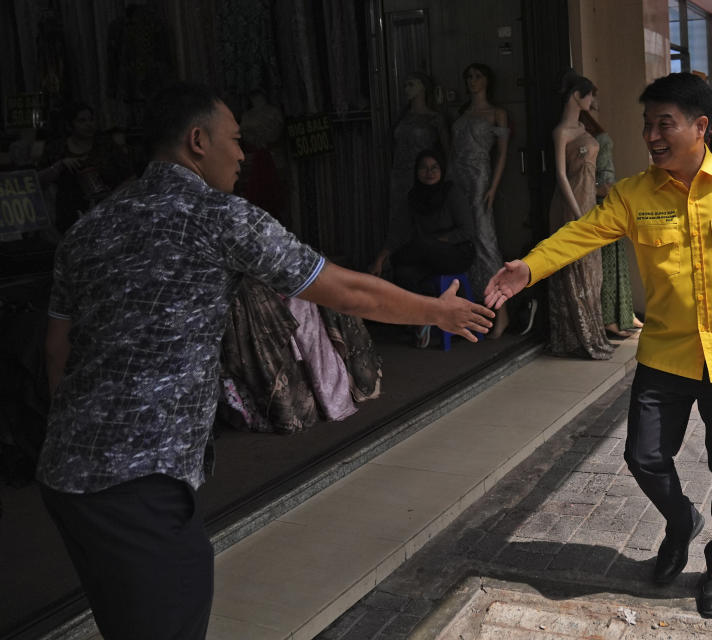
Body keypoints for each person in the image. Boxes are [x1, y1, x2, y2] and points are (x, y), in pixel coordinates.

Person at [37, 82, 493, 640]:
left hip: (66, 475)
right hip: (139, 481)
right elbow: (344, 291)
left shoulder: (89, 228)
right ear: (197, 141)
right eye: (235, 140)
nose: (244, 154)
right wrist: (435, 311)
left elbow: (57, 351)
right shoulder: (219, 216)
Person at [485, 72, 712, 619]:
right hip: (665, 355)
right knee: (644, 456)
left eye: (666, 124)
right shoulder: (635, 194)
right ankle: (681, 522)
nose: (653, 135)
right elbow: (581, 233)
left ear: (700, 127)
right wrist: (530, 267)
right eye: (647, 125)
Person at [370, 149, 476, 347]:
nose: (429, 172)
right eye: (424, 168)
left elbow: (467, 231)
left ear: (442, 170)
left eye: (434, 168)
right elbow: (398, 232)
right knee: (402, 271)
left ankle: (428, 313)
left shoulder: (451, 192)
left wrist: (437, 241)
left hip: (456, 252)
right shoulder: (413, 197)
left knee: (418, 245)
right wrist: (380, 258)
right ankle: (422, 320)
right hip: (426, 254)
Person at [544, 71, 613, 359]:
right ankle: (577, 337)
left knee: (593, 272)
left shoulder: (585, 128)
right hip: (569, 205)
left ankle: (595, 332)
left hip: (588, 203)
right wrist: (577, 213)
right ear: (577, 96)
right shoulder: (561, 132)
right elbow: (560, 175)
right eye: (590, 95)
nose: (593, 100)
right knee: (575, 271)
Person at [449, 62, 510, 338]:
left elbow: (502, 154)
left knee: (486, 242)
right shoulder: (462, 113)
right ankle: (472, 310)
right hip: (458, 178)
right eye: (468, 76)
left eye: (477, 76)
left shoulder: (496, 113)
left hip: (480, 178)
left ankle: (502, 311)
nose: (472, 81)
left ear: (487, 80)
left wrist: (492, 188)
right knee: (464, 240)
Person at [581, 102, 640, 339]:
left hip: (609, 194)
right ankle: (610, 318)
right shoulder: (576, 131)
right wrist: (596, 189)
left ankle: (625, 314)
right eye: (590, 95)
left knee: (618, 258)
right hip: (598, 196)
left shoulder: (592, 130)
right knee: (606, 260)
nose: (594, 101)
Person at [38, 102, 134, 234]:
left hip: (106, 213)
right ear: (70, 125)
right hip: (69, 215)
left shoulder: (106, 145)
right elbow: (38, 181)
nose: (89, 124)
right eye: (81, 121)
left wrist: (112, 198)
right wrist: (59, 166)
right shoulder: (57, 148)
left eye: (91, 120)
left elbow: (130, 177)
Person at [389, 72, 448, 236]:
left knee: (421, 216)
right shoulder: (402, 117)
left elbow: (446, 149)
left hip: (423, 174)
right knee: (399, 215)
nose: (406, 88)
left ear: (423, 88)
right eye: (405, 85)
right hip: (400, 173)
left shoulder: (434, 118)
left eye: (411, 84)